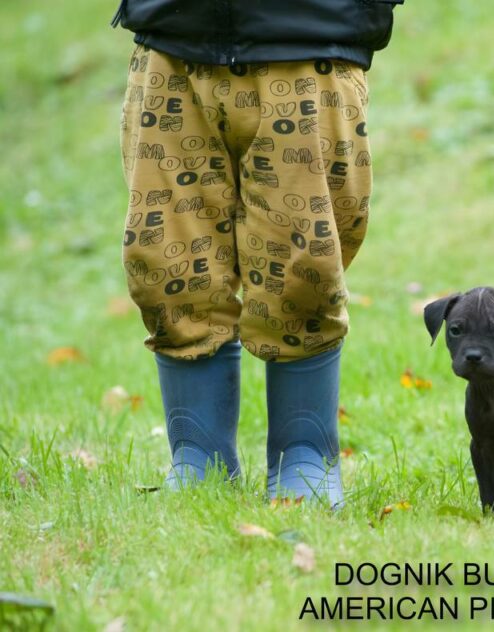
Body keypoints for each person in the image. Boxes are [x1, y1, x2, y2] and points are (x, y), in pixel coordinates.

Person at [113, 0, 403, 509]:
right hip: (172, 43)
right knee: (168, 261)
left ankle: (305, 454)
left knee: (304, 260)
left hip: (311, 43)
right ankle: (198, 456)